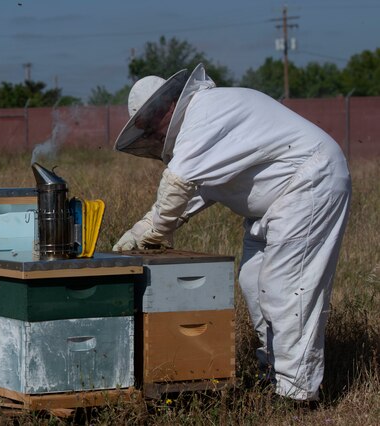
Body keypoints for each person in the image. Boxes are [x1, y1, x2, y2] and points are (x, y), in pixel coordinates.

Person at [112, 64, 351, 402]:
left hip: (309, 182)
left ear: (168, 105)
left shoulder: (205, 113)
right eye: (147, 129)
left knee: (287, 287)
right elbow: (188, 198)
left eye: (152, 123)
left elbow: (176, 186)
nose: (153, 133)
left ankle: (296, 394)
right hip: (274, 204)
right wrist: (135, 236)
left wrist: (155, 231)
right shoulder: (202, 136)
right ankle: (275, 372)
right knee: (253, 282)